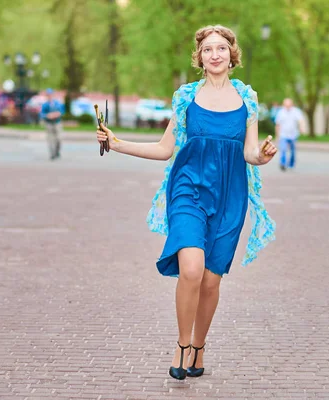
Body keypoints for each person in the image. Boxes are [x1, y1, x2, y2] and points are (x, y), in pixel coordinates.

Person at [96, 25, 277, 381]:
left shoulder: (248, 99)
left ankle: (199, 345)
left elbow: (250, 153)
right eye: (208, 49)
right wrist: (117, 144)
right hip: (188, 188)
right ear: (199, 57)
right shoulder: (186, 98)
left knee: (211, 280)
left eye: (221, 48)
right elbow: (165, 149)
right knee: (191, 269)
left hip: (230, 195)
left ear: (231, 55)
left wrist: (264, 156)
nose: (214, 54)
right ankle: (182, 345)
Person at [275, 98, 304, 171]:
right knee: (283, 149)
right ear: (283, 105)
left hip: (293, 135)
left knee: (293, 151)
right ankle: (283, 164)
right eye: (286, 105)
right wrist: (277, 136)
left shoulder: (296, 111)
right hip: (283, 135)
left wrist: (301, 128)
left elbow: (300, 120)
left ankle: (291, 164)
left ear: (291, 104)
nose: (287, 106)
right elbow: (278, 124)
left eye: (289, 105)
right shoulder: (281, 112)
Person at [39, 89, 64, 160]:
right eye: (48, 95)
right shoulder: (45, 105)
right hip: (49, 123)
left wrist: (57, 114)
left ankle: (57, 151)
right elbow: (41, 114)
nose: (49, 96)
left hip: (57, 123)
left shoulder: (57, 103)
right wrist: (48, 115)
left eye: (50, 95)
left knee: (59, 138)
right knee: (50, 139)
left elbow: (62, 111)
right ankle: (52, 153)